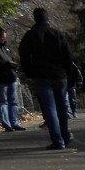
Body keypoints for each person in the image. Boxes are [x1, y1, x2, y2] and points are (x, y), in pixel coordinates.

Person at [17, 8, 77, 150]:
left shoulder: (30, 35)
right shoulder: (57, 34)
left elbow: (24, 56)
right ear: (47, 18)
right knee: (62, 106)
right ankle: (65, 135)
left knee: (49, 107)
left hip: (41, 74)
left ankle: (57, 139)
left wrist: (30, 72)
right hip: (59, 73)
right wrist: (68, 71)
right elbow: (67, 55)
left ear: (35, 19)